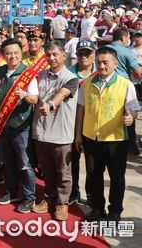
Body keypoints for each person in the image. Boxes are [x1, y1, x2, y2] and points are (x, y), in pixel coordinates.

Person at [75, 46, 141, 222]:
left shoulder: (125, 84)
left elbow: (133, 109)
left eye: (105, 62)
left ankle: (114, 211)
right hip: (91, 137)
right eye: (98, 62)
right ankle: (97, 208)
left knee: (116, 177)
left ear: (115, 63)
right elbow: (81, 109)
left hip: (116, 139)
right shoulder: (88, 83)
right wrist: (78, 135)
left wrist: (130, 117)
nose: (102, 66)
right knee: (93, 174)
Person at [30, 42, 79, 221]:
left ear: (64, 55)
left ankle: (62, 202)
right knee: (46, 170)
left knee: (63, 172)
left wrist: (50, 104)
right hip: (41, 132)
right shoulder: (40, 76)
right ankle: (49, 198)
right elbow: (34, 96)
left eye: (55, 54)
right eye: (48, 55)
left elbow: (63, 94)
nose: (51, 58)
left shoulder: (71, 78)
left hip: (61, 134)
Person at [0, 38, 39, 213]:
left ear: (22, 53)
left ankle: (29, 197)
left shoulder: (28, 73)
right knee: (7, 161)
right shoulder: (0, 71)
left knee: (25, 164)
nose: (12, 56)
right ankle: (12, 191)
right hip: (4, 124)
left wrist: (25, 95)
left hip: (22, 126)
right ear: (3, 55)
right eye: (8, 53)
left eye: (16, 53)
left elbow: (35, 99)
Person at [67, 39, 96, 205]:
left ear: (93, 55)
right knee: (73, 162)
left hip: (93, 125)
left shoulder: (100, 73)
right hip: (72, 124)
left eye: (88, 53)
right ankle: (73, 192)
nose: (84, 56)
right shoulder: (69, 73)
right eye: (81, 53)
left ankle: (92, 196)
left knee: (93, 165)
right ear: (76, 55)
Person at [107, 28, 142, 155]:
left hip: (105, 85)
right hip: (123, 86)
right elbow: (138, 72)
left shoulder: (105, 50)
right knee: (129, 114)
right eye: (128, 37)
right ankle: (131, 145)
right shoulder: (127, 52)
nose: (130, 40)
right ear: (123, 37)